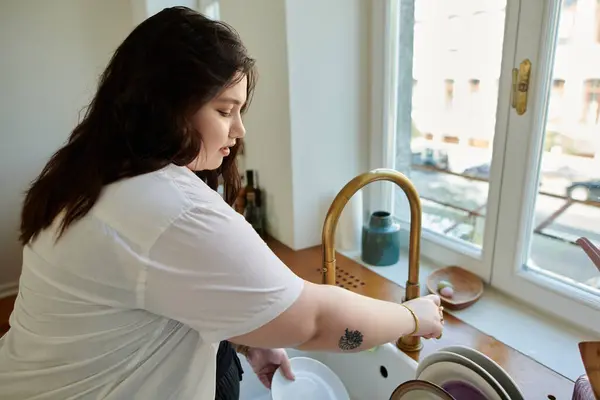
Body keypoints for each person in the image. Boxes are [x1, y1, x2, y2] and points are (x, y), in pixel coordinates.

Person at [0, 6, 444, 400]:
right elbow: (316, 322)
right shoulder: (170, 208)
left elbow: (160, 289)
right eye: (224, 110)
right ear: (167, 105)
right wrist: (411, 315)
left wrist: (252, 332)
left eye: (240, 111)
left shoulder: (90, 173)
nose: (240, 131)